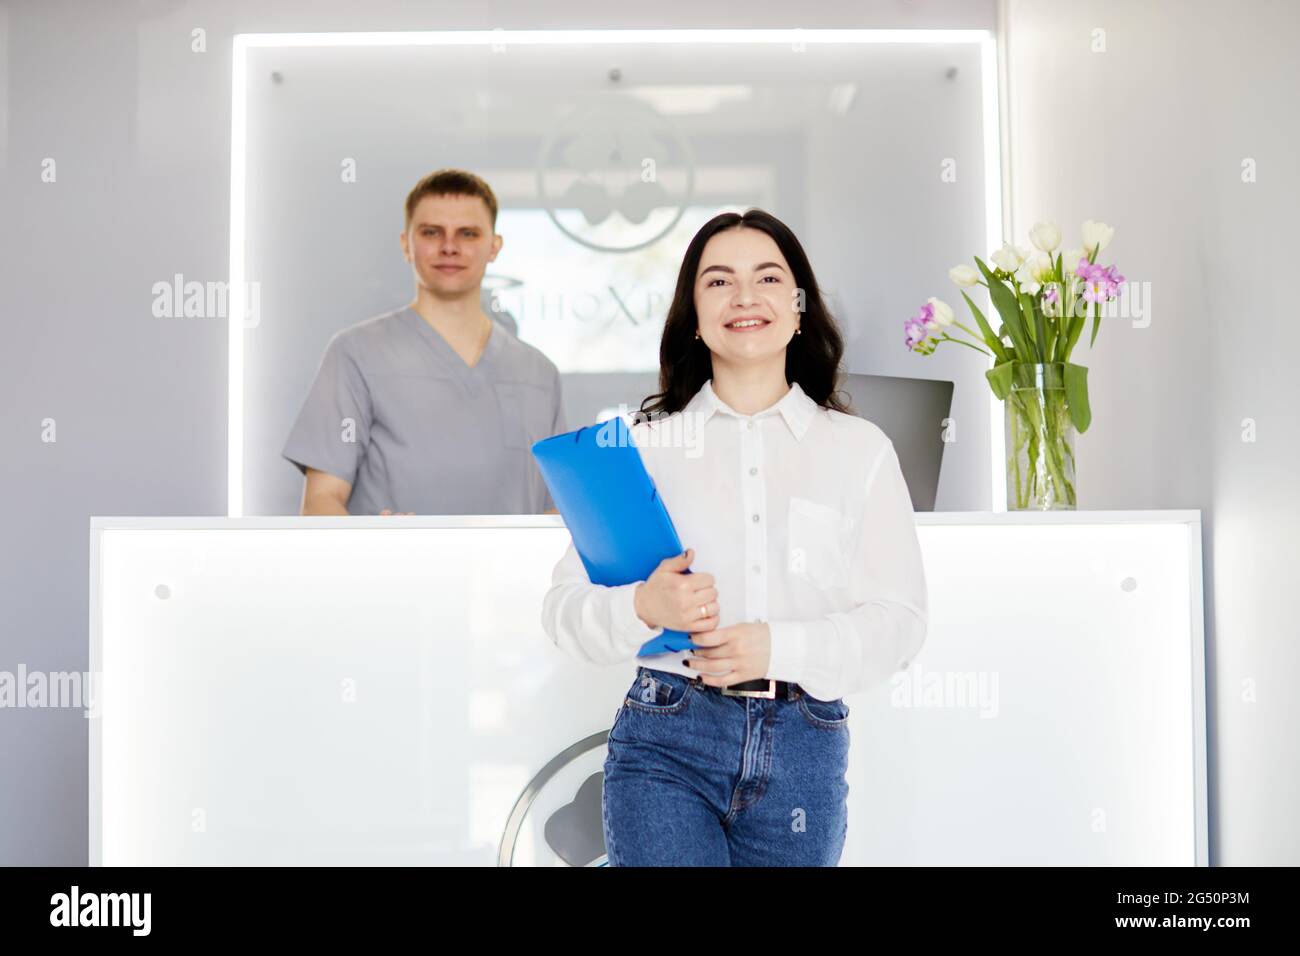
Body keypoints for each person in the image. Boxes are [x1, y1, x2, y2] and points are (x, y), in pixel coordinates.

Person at [540, 208, 928, 866]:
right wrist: (642, 606)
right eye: (718, 282)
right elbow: (562, 611)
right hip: (667, 741)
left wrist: (779, 645)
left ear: (799, 308)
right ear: (694, 316)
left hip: (804, 748)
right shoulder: (646, 449)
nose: (745, 297)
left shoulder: (857, 451)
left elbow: (901, 623)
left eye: (768, 278)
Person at [282, 169, 565, 515]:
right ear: (406, 244)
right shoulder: (355, 354)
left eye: (468, 233)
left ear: (494, 247)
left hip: (515, 571)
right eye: (432, 232)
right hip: (394, 570)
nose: (449, 247)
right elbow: (321, 501)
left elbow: (558, 512)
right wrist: (373, 546)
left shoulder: (538, 373)